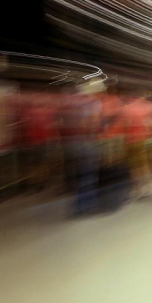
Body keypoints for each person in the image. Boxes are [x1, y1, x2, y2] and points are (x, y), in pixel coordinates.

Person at [57, 81, 103, 217]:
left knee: (78, 176)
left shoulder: (63, 106)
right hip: (86, 142)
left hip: (69, 144)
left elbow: (58, 125)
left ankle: (80, 205)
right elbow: (93, 123)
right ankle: (86, 207)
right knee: (88, 175)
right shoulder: (90, 104)